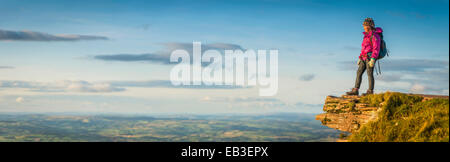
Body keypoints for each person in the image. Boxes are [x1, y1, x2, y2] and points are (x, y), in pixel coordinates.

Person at [346, 18, 383, 96]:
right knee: (359, 72)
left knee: (369, 73)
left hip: (370, 57)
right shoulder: (366, 36)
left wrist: (373, 59)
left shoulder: (375, 36)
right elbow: (364, 48)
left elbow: (376, 48)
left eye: (365, 25)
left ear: (369, 26)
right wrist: (360, 57)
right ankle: (355, 90)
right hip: (363, 57)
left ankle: (370, 91)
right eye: (363, 25)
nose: (363, 27)